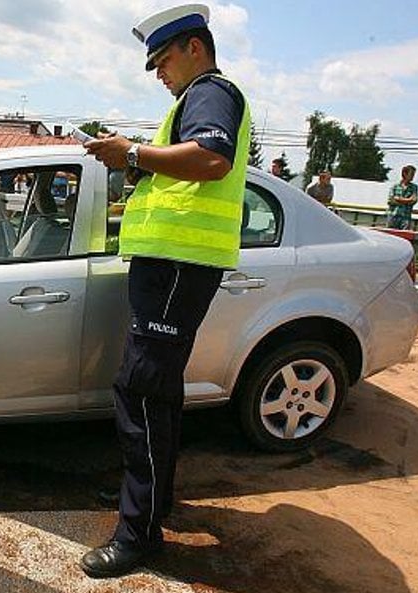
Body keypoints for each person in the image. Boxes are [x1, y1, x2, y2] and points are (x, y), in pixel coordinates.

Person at [82, 3, 250, 578]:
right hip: (170, 267)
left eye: (163, 60)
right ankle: (148, 504)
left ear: (195, 49)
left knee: (142, 391)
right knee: (156, 393)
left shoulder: (211, 92)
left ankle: (139, 534)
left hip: (178, 268)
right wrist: (140, 169)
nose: (159, 73)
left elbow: (210, 158)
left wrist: (131, 153)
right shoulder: (192, 99)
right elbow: (185, 172)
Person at [386, 165, 418, 230]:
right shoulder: (395, 186)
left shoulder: (414, 187)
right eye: (411, 174)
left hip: (406, 217)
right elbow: (390, 200)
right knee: (390, 235)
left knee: (404, 236)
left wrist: (398, 199)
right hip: (393, 215)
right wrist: (408, 200)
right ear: (405, 174)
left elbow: (414, 200)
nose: (413, 176)